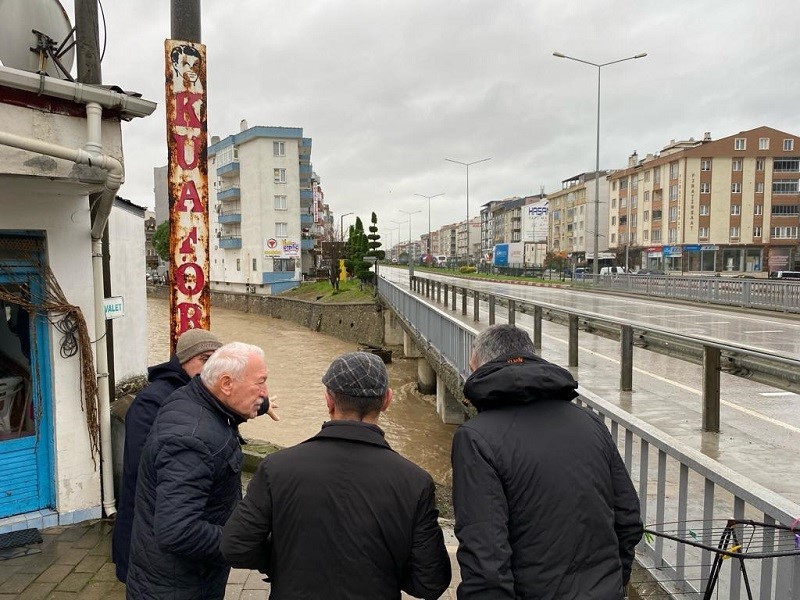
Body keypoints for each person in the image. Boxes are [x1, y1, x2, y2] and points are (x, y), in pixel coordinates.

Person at [221, 351, 451, 600]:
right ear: (387, 400)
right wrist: (388, 572)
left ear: (329, 400)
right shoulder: (415, 481)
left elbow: (236, 546)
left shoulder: (276, 468)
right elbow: (431, 582)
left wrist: (280, 562)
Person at [451, 324, 643, 599]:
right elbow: (628, 518)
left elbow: (486, 559)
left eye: (472, 368)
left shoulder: (475, 438)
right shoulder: (590, 422)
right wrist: (612, 582)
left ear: (480, 366)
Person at [125, 342, 273, 599]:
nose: (265, 393)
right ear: (226, 384)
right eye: (260, 383)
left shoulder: (190, 398)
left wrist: (261, 405)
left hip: (180, 577)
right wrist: (247, 542)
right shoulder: (192, 442)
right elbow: (178, 531)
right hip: (178, 588)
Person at [113, 328, 223, 582]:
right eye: (205, 360)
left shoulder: (203, 394)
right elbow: (141, 466)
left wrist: (259, 404)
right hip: (147, 527)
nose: (211, 368)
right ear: (184, 359)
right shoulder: (151, 401)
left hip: (180, 526)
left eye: (216, 361)